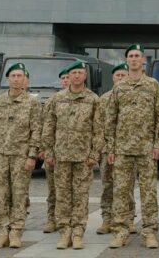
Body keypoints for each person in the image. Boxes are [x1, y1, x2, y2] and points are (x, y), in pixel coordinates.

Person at [106, 44, 159, 250]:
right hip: (123, 150)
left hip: (146, 149)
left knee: (148, 192)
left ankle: (149, 232)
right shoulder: (119, 87)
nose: (134, 59)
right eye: (130, 56)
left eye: (137, 56)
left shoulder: (153, 85)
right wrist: (111, 148)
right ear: (127, 61)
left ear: (143, 61)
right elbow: (111, 119)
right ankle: (120, 232)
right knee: (121, 192)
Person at [42, 60, 104, 250]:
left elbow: (99, 129)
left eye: (80, 72)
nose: (76, 76)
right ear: (68, 77)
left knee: (80, 196)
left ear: (85, 76)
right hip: (60, 157)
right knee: (62, 196)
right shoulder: (57, 99)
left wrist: (95, 154)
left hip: (83, 158)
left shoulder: (93, 99)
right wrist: (48, 151)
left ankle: (77, 233)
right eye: (73, 73)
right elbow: (48, 127)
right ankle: (64, 232)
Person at [0, 62, 42, 249]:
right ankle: (2, 231)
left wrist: (32, 156)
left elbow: (36, 130)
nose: (16, 79)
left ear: (25, 79)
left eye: (20, 76)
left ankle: (16, 232)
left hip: (20, 156)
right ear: (8, 79)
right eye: (13, 76)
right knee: (0, 194)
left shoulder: (32, 103)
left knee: (19, 195)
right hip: (0, 155)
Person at [97, 62, 131, 235]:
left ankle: (128, 219)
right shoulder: (103, 99)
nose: (120, 78)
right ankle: (107, 219)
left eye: (124, 75)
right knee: (108, 186)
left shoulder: (133, 97)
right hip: (107, 150)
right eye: (118, 75)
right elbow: (98, 126)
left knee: (127, 187)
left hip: (127, 150)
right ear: (113, 78)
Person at [42, 67, 70, 233]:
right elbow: (46, 125)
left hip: (73, 152)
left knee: (68, 190)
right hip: (55, 152)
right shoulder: (54, 100)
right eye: (64, 78)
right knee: (53, 188)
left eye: (68, 77)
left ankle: (67, 220)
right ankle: (52, 218)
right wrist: (45, 149)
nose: (66, 80)